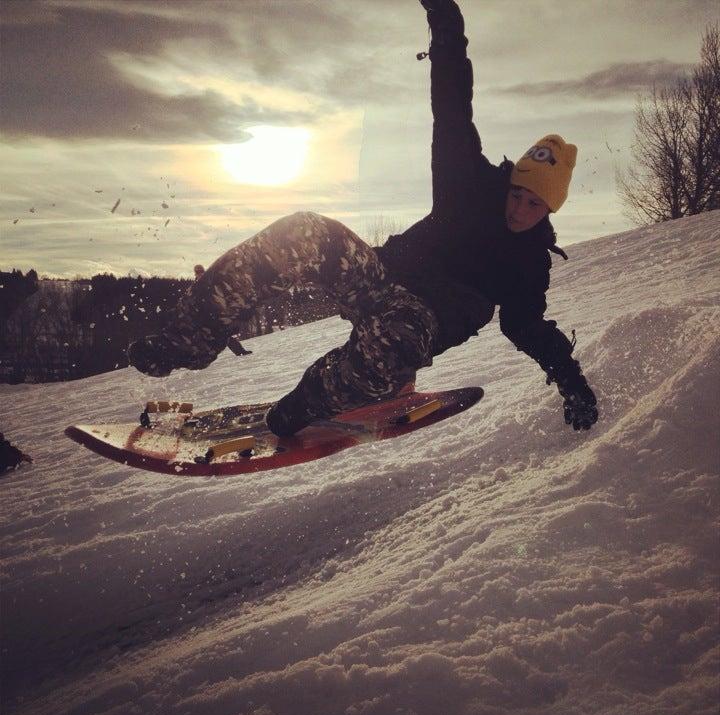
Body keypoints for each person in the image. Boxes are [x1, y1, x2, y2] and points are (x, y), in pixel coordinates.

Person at [128, 0, 598, 436]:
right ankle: (189, 338)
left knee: (395, 339)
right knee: (304, 231)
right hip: (378, 280)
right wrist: (446, 22)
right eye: (517, 194)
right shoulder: (469, 183)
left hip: (421, 323)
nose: (518, 209)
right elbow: (452, 106)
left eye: (533, 204)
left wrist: (573, 384)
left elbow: (527, 328)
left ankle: (316, 398)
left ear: (551, 208)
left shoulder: (529, 264)